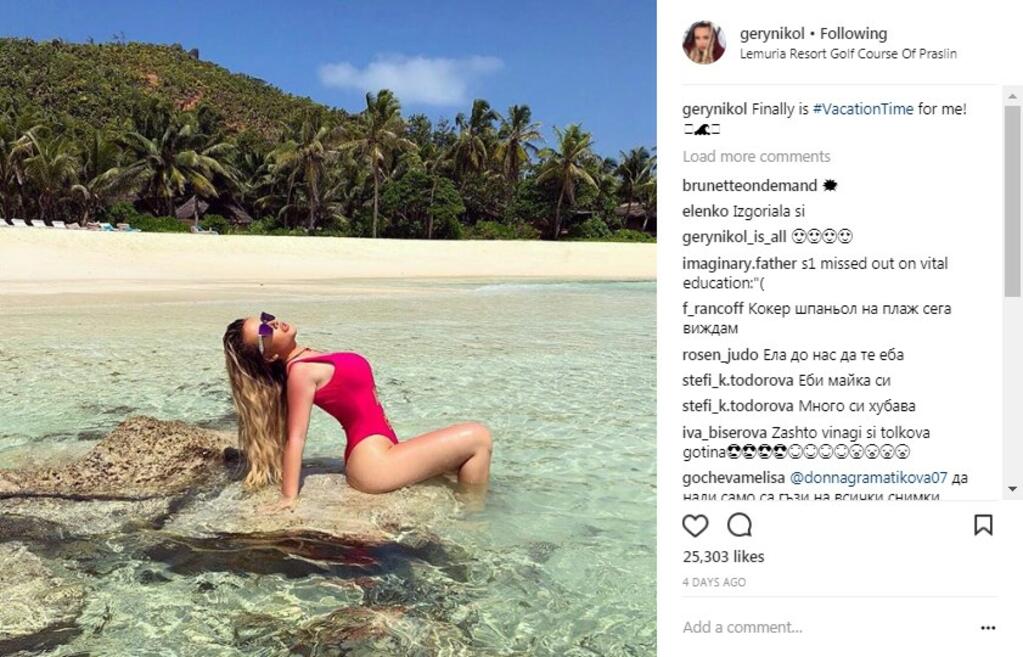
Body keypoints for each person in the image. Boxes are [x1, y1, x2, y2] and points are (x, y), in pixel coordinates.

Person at [222, 312, 493, 512]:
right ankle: (474, 520)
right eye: (265, 332)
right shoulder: (301, 372)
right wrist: (288, 497)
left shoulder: (308, 357)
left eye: (266, 318)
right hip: (373, 464)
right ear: (268, 356)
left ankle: (470, 513)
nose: (272, 323)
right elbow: (296, 438)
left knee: (462, 459)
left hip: (382, 450)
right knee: (478, 437)